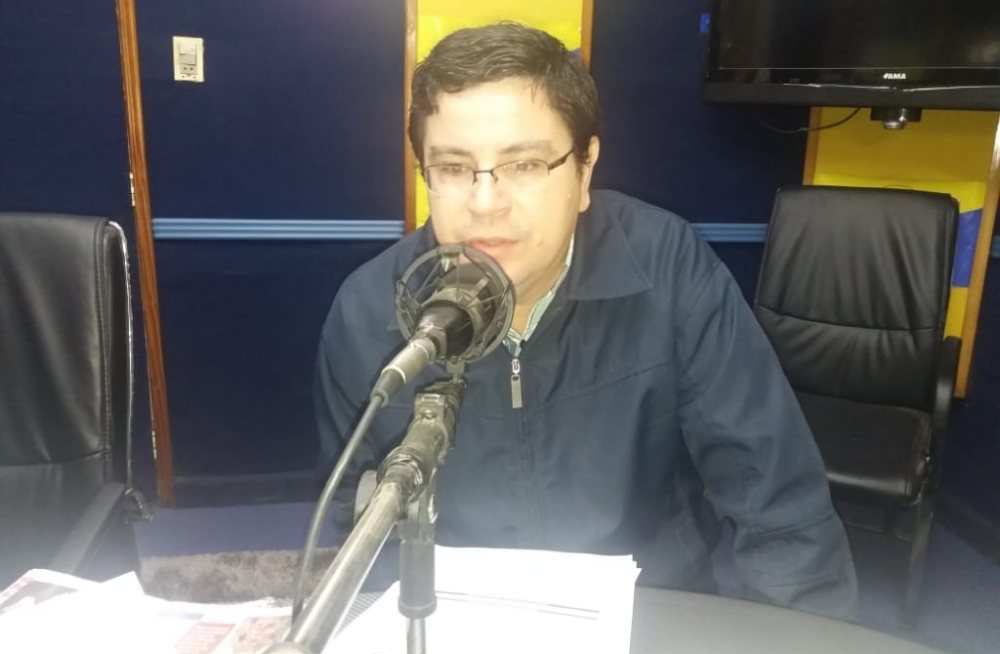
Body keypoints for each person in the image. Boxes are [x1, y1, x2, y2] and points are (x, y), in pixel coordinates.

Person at [315, 22, 858, 619]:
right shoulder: (368, 312)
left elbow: (781, 511)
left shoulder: (669, 269)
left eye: (524, 164)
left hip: (650, 612)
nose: (485, 202)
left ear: (584, 170)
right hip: (453, 626)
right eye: (453, 168)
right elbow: (354, 529)